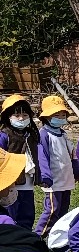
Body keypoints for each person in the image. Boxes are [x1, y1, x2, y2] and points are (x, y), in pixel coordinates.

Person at [34, 95, 79, 238]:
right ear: (46, 117)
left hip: (66, 179)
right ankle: (37, 237)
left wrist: (77, 171)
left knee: (63, 211)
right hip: (53, 181)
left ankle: (56, 237)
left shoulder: (63, 134)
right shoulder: (43, 134)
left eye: (62, 115)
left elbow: (72, 154)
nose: (60, 118)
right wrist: (45, 176)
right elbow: (42, 157)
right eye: (56, 115)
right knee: (52, 210)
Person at [0, 94, 41, 229]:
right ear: (8, 117)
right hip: (11, 183)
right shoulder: (4, 135)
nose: (21, 118)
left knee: (27, 214)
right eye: (17, 115)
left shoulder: (32, 134)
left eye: (25, 115)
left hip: (28, 181)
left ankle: (26, 236)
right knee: (12, 214)